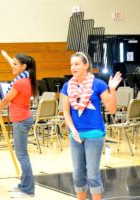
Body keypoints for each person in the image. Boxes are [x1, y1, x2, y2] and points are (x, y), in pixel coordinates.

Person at [60, 52, 122, 200]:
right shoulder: (67, 86)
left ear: (86, 65)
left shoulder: (98, 84)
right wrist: (73, 130)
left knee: (93, 174)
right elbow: (66, 113)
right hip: (76, 135)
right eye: (71, 64)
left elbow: (112, 109)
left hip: (94, 134)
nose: (73, 67)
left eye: (77, 64)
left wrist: (112, 90)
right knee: (78, 173)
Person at [0, 50, 36, 198]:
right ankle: (23, 184)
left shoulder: (20, 82)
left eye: (15, 64)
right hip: (24, 118)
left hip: (21, 120)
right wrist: (6, 56)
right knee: (21, 153)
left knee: (22, 155)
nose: (12, 66)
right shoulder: (27, 76)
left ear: (23, 66)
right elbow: (14, 63)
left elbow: (5, 100)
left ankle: (28, 189)